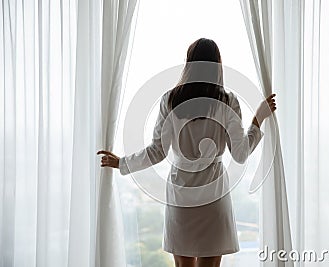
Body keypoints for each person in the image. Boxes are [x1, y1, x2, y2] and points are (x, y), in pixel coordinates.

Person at [98, 38, 276, 267]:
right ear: (217, 66)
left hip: (181, 196)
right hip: (214, 196)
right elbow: (240, 154)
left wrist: (122, 163)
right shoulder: (228, 100)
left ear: (189, 64)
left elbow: (157, 151)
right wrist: (257, 120)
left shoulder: (170, 100)